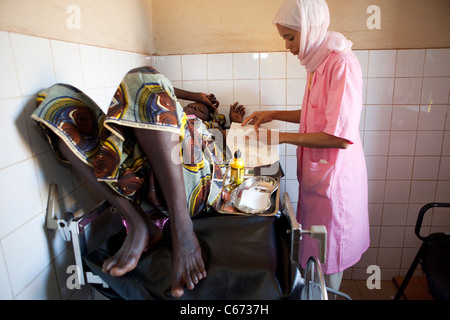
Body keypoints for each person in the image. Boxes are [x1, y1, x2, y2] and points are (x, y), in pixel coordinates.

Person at [32, 67, 244, 298]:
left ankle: (182, 228)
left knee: (142, 79)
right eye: (190, 106)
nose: (193, 109)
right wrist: (195, 97)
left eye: (200, 110)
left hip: (192, 179)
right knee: (54, 103)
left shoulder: (207, 128)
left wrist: (231, 123)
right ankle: (138, 222)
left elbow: (230, 149)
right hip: (137, 181)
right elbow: (157, 94)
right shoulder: (157, 113)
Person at [242, 0, 370, 292]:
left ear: (309, 29)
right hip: (317, 178)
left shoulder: (341, 63)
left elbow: (339, 136)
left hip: (335, 182)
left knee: (331, 255)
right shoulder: (317, 62)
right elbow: (316, 114)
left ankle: (327, 296)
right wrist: (273, 114)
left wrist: (282, 137)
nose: (287, 46)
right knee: (317, 251)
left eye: (290, 37)